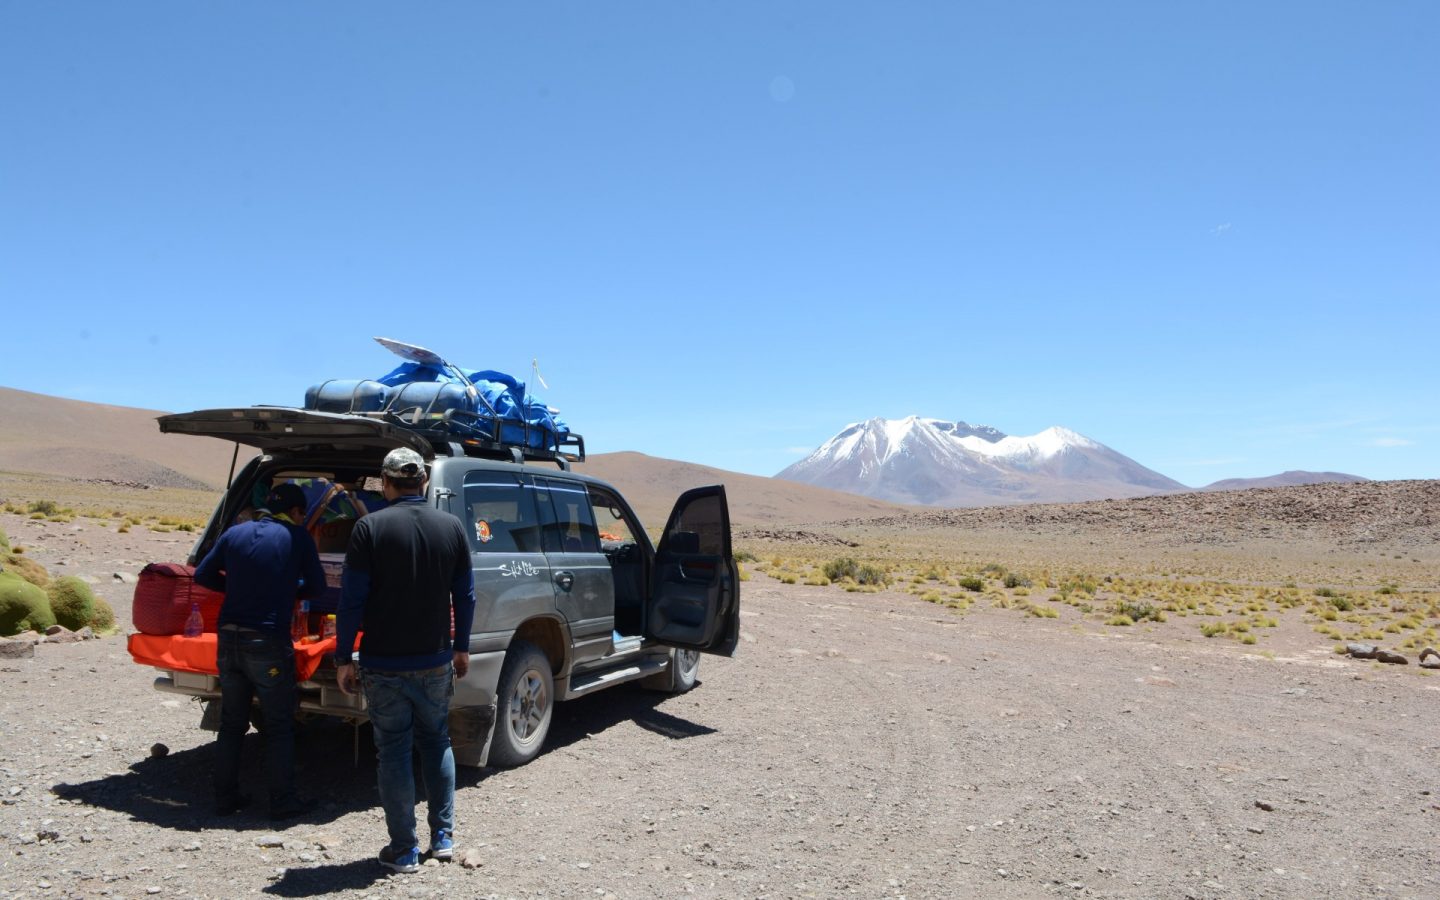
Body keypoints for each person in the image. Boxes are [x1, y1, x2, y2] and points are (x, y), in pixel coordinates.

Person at [335, 447, 476, 874]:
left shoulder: (369, 528)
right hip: (435, 659)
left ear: (386, 481)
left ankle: (405, 850)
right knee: (436, 742)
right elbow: (465, 595)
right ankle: (444, 838)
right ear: (425, 482)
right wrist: (461, 646)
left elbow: (351, 600)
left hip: (384, 663)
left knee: (394, 752)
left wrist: (343, 657)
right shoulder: (451, 527)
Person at [193, 481, 325, 820]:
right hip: (266, 640)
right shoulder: (297, 538)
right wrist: (286, 590)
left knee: (232, 723)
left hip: (228, 638)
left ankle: (225, 799)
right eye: (301, 514)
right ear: (296, 512)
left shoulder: (235, 533)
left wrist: (237, 588)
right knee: (279, 724)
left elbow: (204, 575)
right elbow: (318, 587)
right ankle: (282, 802)